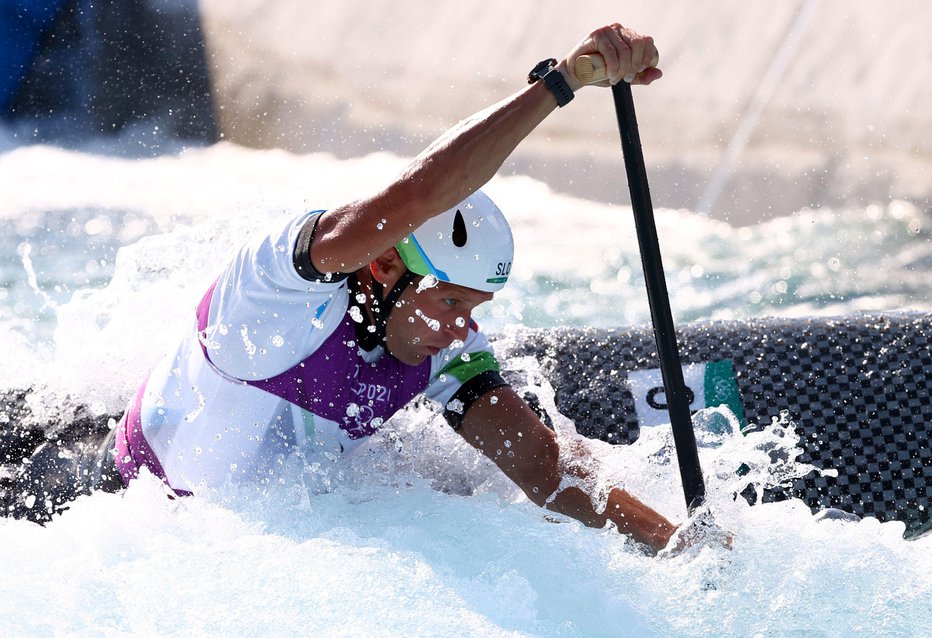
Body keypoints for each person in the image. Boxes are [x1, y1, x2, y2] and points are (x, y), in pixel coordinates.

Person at [19, 23, 682, 554]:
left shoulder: (439, 349)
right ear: (387, 269)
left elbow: (546, 472)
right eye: (453, 302)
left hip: (237, 548)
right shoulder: (277, 293)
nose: (464, 329)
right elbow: (415, 194)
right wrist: (562, 83)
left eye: (475, 310)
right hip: (96, 507)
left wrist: (680, 546)